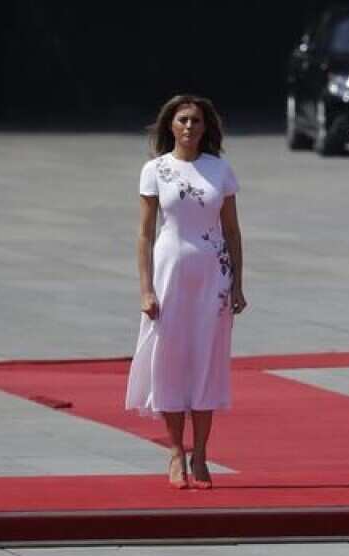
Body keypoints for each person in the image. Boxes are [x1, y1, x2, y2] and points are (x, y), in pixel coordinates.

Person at [126, 94, 247, 489]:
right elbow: (145, 233)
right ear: (170, 126)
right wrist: (146, 289)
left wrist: (238, 284)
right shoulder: (155, 171)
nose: (190, 127)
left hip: (213, 275)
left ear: (206, 126)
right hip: (170, 273)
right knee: (171, 360)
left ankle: (201, 453)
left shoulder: (220, 170)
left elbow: (231, 230)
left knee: (207, 362)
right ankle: (176, 450)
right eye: (183, 120)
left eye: (196, 120)